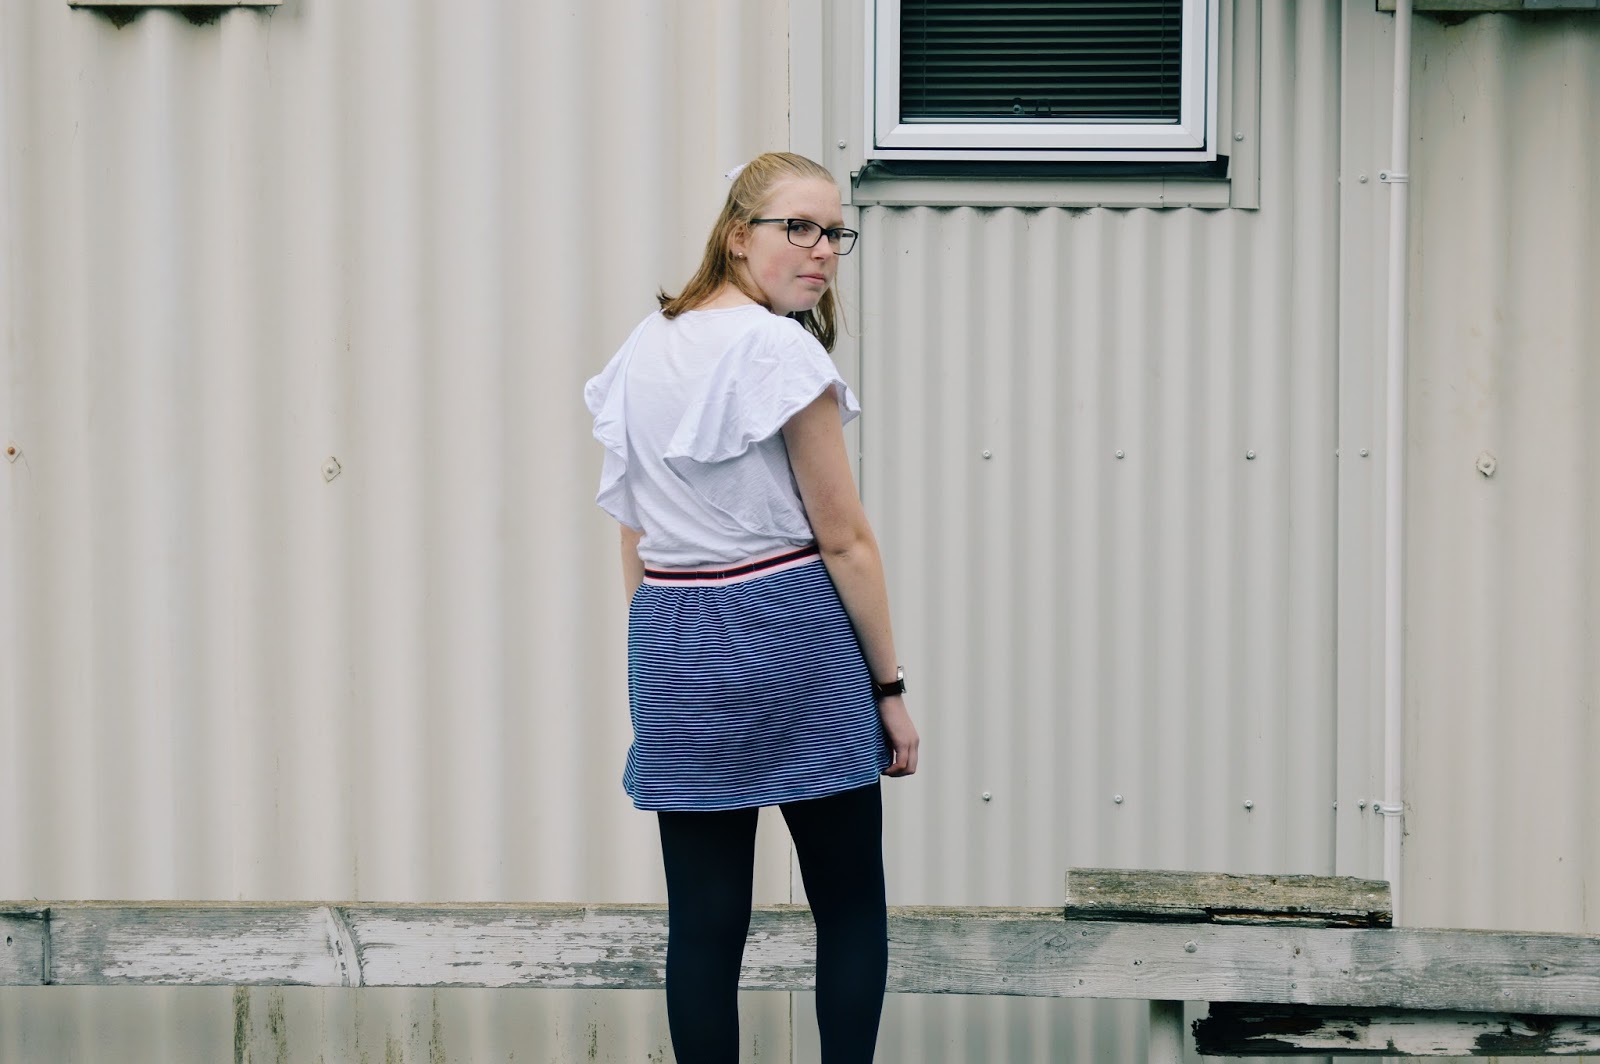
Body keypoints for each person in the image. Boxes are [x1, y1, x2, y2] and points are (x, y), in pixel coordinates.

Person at [584, 151, 919, 1063]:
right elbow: (845, 540)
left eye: (835, 232)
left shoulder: (645, 344)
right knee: (848, 905)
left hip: (672, 634)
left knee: (703, 924)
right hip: (790, 629)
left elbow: (633, 534)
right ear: (738, 237)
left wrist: (658, 660)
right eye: (798, 228)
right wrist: (889, 688)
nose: (823, 250)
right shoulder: (777, 348)